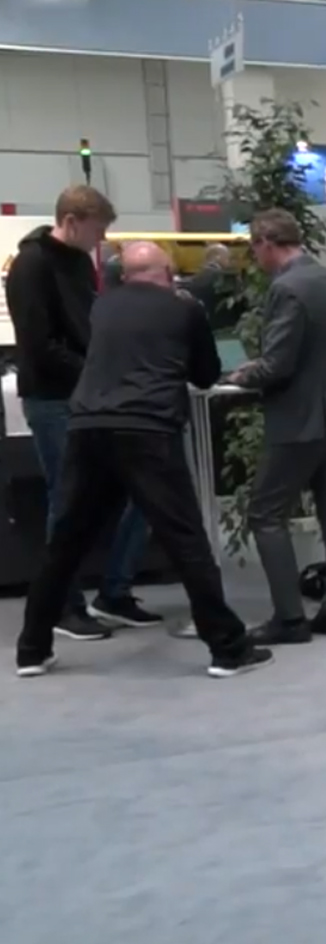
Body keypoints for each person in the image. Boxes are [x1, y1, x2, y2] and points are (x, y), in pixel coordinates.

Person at [15, 242, 270, 679]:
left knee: (67, 541)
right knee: (186, 540)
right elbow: (205, 375)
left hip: (88, 426)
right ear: (167, 272)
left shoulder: (101, 308)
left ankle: (32, 650)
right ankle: (229, 649)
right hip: (148, 428)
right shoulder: (184, 309)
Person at [4, 184, 158, 637]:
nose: (101, 239)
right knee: (68, 501)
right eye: (97, 229)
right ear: (71, 222)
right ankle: (64, 605)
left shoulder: (75, 262)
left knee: (139, 488)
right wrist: (95, 368)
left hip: (92, 394)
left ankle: (114, 591)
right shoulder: (31, 265)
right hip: (54, 398)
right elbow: (38, 345)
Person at [222, 209, 326, 645]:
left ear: (266, 242)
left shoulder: (287, 289)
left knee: (266, 514)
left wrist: (243, 375)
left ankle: (289, 619)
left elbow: (279, 364)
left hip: (299, 419)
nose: (255, 258)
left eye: (254, 249)